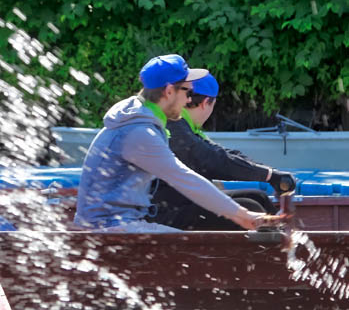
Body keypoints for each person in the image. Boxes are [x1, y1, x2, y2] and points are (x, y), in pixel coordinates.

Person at [74, 54, 285, 232]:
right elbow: (184, 178)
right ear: (168, 91)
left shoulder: (140, 119)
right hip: (109, 228)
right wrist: (243, 216)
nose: (188, 101)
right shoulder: (139, 133)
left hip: (120, 224)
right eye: (188, 92)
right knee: (190, 249)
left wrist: (241, 214)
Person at [149, 73, 297, 230]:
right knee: (250, 206)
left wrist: (270, 173)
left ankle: (282, 248)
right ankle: (264, 252)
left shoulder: (183, 125)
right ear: (206, 102)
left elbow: (221, 153)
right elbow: (213, 160)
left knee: (256, 196)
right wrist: (268, 175)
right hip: (163, 212)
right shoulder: (173, 126)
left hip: (180, 202)